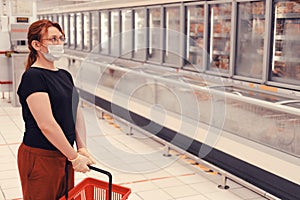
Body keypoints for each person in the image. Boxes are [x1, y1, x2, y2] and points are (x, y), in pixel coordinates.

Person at [17, 19, 96, 200]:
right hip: (41, 157)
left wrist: (81, 148)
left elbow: (75, 112)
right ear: (36, 44)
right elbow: (47, 124)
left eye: (61, 38)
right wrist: (73, 157)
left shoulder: (64, 75)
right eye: (53, 39)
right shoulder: (33, 77)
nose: (59, 43)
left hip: (65, 155)